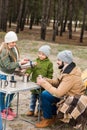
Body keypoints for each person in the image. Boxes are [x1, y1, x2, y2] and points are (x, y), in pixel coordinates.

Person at [35, 50, 86, 128]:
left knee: (45, 94)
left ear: (65, 61)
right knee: (46, 93)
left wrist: (43, 83)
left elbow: (58, 93)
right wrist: (45, 80)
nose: (57, 62)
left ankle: (48, 118)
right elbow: (58, 82)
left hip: (71, 100)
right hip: (67, 94)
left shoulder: (70, 76)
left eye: (59, 60)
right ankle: (53, 116)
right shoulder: (68, 69)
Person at [0, 31, 28, 121]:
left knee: (12, 92)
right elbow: (8, 65)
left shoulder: (13, 49)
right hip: (3, 75)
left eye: (15, 42)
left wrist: (21, 65)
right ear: (8, 41)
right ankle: (2, 110)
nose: (14, 44)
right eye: (13, 42)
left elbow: (14, 61)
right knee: (2, 94)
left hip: (11, 75)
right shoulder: (4, 51)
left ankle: (7, 107)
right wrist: (19, 63)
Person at [25, 45, 53, 116]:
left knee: (41, 99)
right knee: (33, 97)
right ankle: (31, 110)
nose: (40, 56)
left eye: (43, 54)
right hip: (35, 82)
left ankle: (39, 111)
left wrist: (48, 80)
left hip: (43, 84)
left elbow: (50, 73)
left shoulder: (49, 63)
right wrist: (27, 73)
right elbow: (30, 68)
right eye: (39, 53)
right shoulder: (36, 61)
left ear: (47, 55)